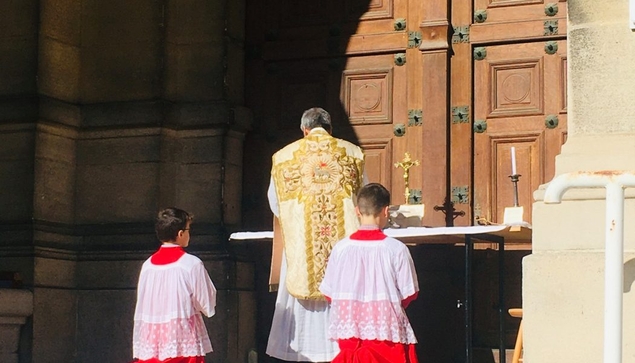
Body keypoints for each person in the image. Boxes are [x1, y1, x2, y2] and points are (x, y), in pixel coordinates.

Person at [266, 107, 365, 362]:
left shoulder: (284, 157)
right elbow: (363, 201)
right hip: (344, 250)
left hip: (302, 251)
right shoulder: (351, 153)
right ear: (330, 129)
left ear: (304, 130)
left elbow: (275, 204)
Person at [319, 183, 420, 363]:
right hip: (385, 333)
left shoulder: (340, 249)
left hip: (349, 331)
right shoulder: (396, 249)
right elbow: (409, 294)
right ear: (386, 211)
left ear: (357, 210)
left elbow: (329, 294)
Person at [132, 207, 217, 363]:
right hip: (184, 343)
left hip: (153, 344)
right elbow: (206, 304)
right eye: (188, 229)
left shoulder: (147, 266)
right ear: (180, 234)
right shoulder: (191, 264)